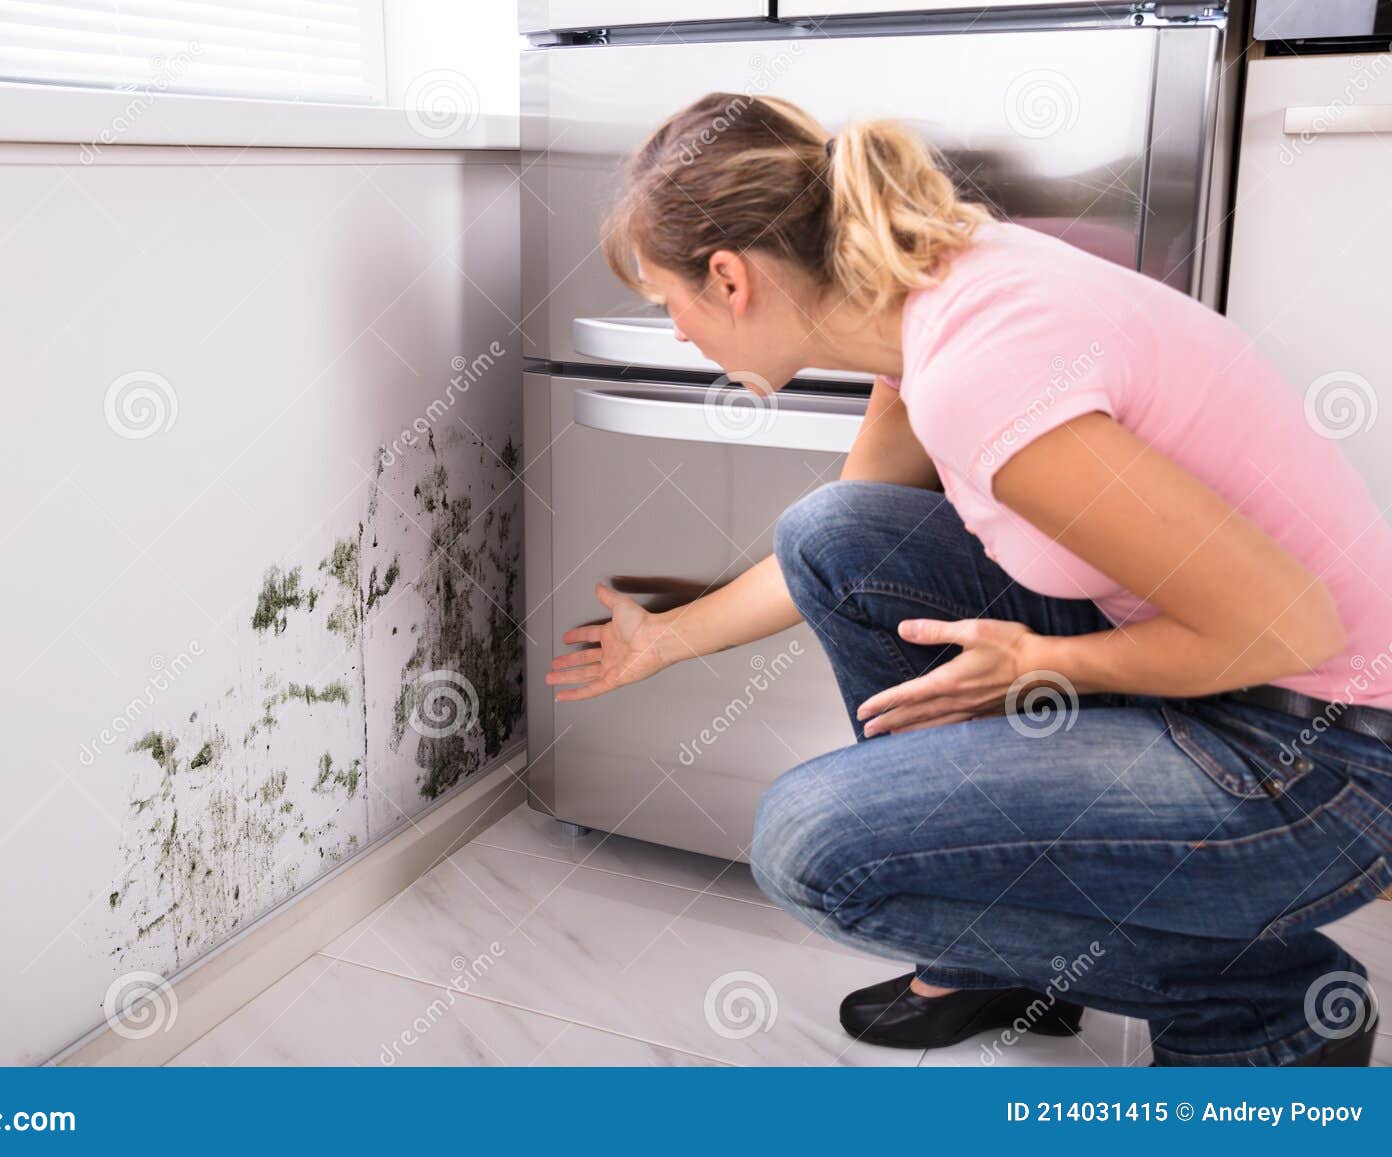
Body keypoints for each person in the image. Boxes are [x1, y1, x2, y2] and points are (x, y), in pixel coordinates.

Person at [545, 92, 1392, 1066]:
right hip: (1230, 679)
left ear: (729, 279)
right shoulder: (924, 296)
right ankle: (997, 956)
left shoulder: (981, 373)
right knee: (835, 530)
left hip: (1321, 763)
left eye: (669, 304)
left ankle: (1262, 1008)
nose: (682, 336)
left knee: (813, 849)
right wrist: (669, 635)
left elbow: (1287, 625)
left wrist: (1044, 661)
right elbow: (836, 552)